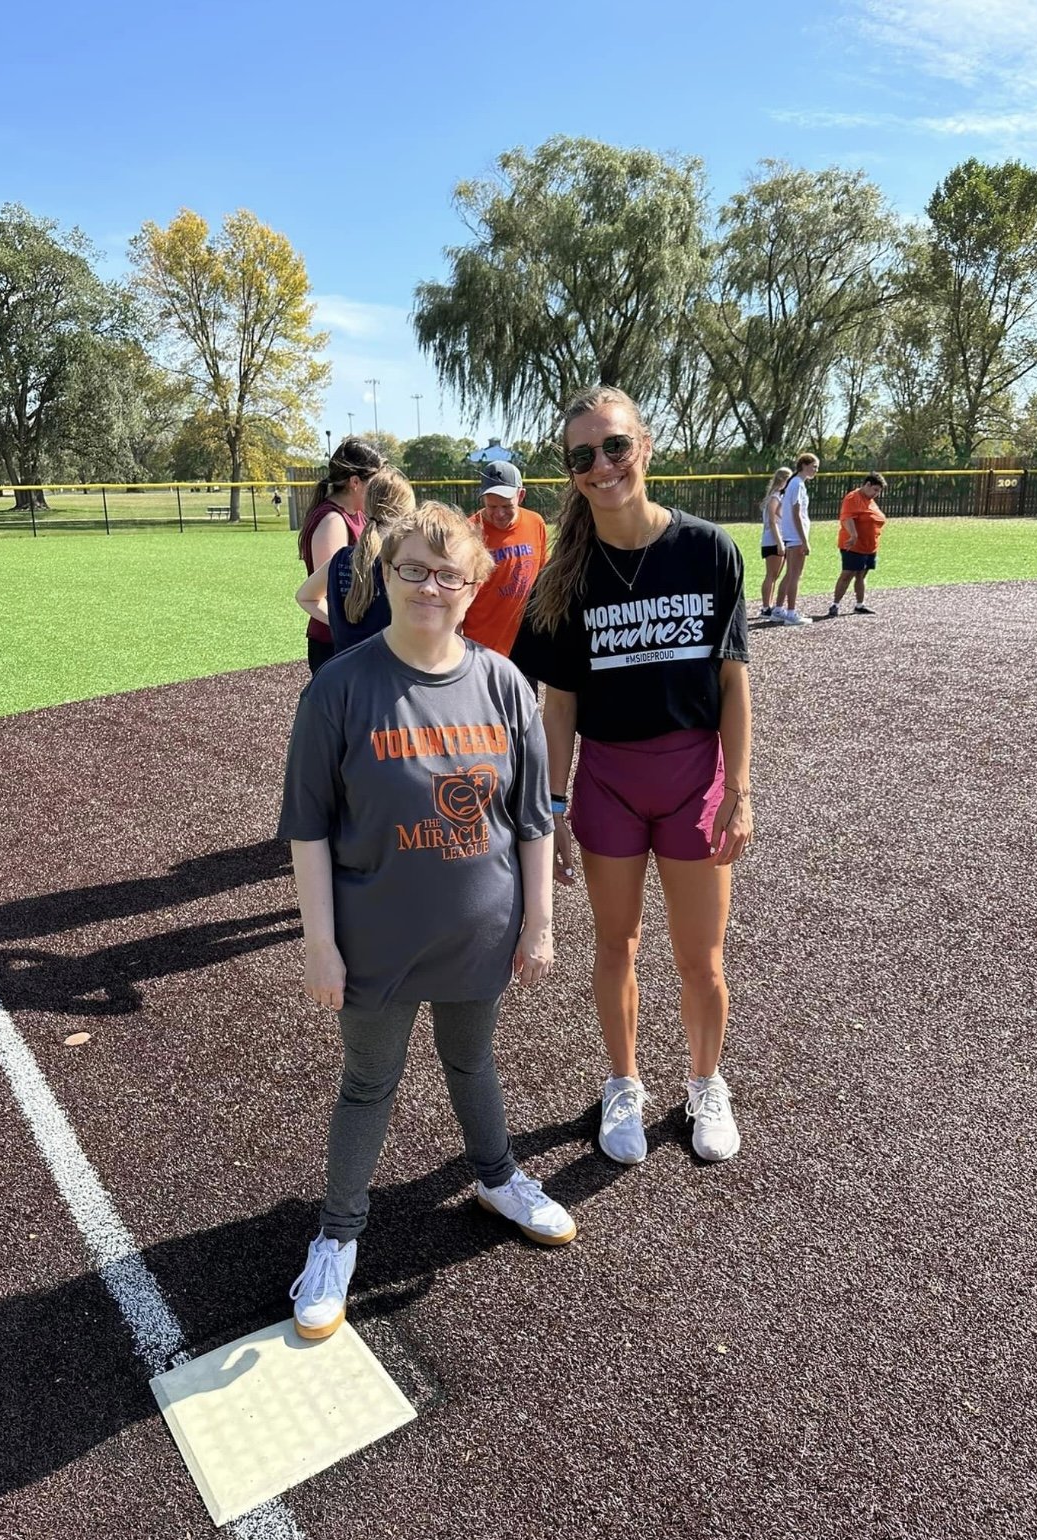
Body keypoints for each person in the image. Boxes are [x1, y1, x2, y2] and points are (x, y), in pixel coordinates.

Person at [279, 501, 577, 1341]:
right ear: (387, 574)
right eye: (414, 569)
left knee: (472, 1061)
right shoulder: (341, 686)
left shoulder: (504, 682)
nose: (432, 587)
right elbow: (307, 825)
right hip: (375, 941)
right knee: (369, 1084)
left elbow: (531, 820)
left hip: (480, 932)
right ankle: (338, 1235)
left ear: (477, 582)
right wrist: (320, 943)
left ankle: (496, 1176)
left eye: (451, 574)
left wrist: (541, 923)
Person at [511, 386, 753, 1169]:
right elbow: (558, 708)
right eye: (582, 456)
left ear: (643, 446)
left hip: (693, 774)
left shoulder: (708, 549)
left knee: (701, 958)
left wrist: (741, 791)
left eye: (613, 447)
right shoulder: (565, 575)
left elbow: (732, 681)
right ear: (570, 472)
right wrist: (548, 810)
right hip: (608, 780)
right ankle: (623, 1083)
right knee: (614, 944)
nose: (601, 466)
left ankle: (706, 1083)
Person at [294, 468, 417, 653]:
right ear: (407, 514)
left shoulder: (341, 558)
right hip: (390, 670)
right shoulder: (403, 566)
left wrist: (340, 624)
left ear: (367, 505)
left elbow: (305, 597)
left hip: (347, 670)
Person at [296, 439, 385, 673]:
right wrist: (351, 631)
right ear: (355, 482)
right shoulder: (333, 521)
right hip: (334, 645)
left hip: (354, 643)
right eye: (375, 481)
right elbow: (327, 595)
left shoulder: (359, 515)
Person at [463, 462, 549, 657]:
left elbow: (543, 578)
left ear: (521, 495)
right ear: (483, 498)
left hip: (525, 643)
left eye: (506, 506)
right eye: (492, 506)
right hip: (481, 648)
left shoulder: (536, 523)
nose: (499, 514)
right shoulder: (469, 532)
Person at [828, 474, 887, 617]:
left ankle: (859, 605)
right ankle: (835, 605)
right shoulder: (853, 498)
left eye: (878, 491)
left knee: (862, 574)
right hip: (853, 545)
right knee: (848, 574)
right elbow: (847, 518)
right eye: (875, 490)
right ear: (867, 485)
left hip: (869, 546)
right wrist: (854, 535)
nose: (876, 494)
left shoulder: (870, 501)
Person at [771, 453, 820, 627]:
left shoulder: (793, 484)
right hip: (796, 537)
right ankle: (791, 613)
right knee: (795, 575)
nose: (816, 470)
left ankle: (778, 609)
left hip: (791, 535)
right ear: (804, 465)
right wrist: (804, 539)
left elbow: (782, 511)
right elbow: (796, 513)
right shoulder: (797, 484)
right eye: (814, 466)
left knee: (790, 574)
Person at [758, 467, 791, 618]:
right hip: (772, 539)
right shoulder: (775, 497)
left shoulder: (780, 497)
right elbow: (772, 522)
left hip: (778, 538)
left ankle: (769, 606)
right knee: (771, 575)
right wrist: (779, 542)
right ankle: (766, 607)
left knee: (775, 575)